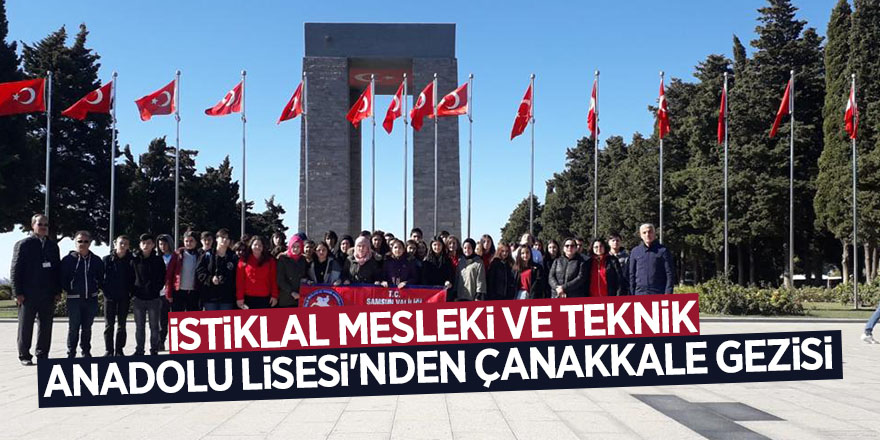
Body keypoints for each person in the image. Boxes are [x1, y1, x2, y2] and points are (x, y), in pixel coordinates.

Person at [11, 214, 61, 365]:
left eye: (46, 224)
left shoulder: (53, 246)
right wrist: (17, 292)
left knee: (46, 327)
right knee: (25, 326)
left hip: (47, 294)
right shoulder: (24, 244)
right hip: (27, 294)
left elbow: (57, 270)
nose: (44, 227)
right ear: (33, 225)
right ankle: (24, 355)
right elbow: (15, 270)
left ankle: (42, 354)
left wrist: (57, 291)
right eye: (40, 224)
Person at [60, 231, 103, 358]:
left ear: (90, 243)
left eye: (86, 241)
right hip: (74, 300)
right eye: (80, 241)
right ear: (75, 242)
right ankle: (71, 352)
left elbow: (101, 278)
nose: (82, 244)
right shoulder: (68, 260)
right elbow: (62, 278)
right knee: (73, 328)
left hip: (91, 299)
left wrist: (96, 288)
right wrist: (70, 288)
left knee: (87, 328)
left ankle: (86, 351)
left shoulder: (96, 260)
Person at [131, 234, 167, 355]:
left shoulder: (158, 260)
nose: (146, 245)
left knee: (154, 327)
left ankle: (154, 349)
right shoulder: (134, 259)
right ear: (140, 245)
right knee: (139, 327)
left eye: (148, 243)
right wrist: (133, 291)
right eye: (143, 243)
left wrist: (156, 288)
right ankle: (139, 350)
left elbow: (163, 277)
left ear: (153, 245)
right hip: (138, 298)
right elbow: (130, 277)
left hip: (154, 298)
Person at [102, 234, 134, 356]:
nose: (123, 246)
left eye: (125, 244)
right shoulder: (106, 259)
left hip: (124, 297)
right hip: (109, 297)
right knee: (109, 325)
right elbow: (101, 278)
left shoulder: (131, 260)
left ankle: (119, 350)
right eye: (121, 243)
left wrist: (130, 293)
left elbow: (133, 278)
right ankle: (109, 350)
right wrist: (105, 291)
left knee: (122, 325)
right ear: (115, 244)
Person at [196, 228, 238, 311]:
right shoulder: (207, 255)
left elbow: (236, 275)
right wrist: (210, 279)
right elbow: (200, 271)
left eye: (227, 238)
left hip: (227, 297)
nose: (225, 240)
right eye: (223, 237)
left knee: (226, 322)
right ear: (217, 239)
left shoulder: (233, 257)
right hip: (210, 296)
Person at [629, 224, 676, 295]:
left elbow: (669, 273)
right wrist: (632, 293)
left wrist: (668, 293)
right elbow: (632, 274)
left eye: (650, 232)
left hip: (658, 292)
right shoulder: (635, 251)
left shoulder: (663, 251)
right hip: (640, 293)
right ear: (641, 235)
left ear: (654, 233)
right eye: (644, 232)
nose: (647, 234)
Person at [236, 236, 279, 309]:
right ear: (251, 246)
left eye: (260, 245)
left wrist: (274, 295)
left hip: (265, 298)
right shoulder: (244, 260)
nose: (257, 247)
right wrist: (240, 297)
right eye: (255, 245)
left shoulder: (270, 261)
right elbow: (240, 281)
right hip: (248, 298)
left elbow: (273, 279)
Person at [165, 230, 201, 312]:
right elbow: (169, 275)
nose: (189, 243)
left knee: (194, 318)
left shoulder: (199, 255)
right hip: (178, 291)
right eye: (186, 241)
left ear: (196, 242)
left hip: (193, 292)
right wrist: (169, 293)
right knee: (177, 317)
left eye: (191, 241)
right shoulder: (177, 254)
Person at [277, 235, 307, 307]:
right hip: (286, 298)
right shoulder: (283, 259)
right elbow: (280, 280)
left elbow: (304, 275)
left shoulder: (303, 260)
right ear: (290, 246)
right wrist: (291, 292)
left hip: (300, 298)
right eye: (293, 246)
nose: (295, 249)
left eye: (298, 247)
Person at [156, 234, 174, 351]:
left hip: (173, 291)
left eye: (165, 243)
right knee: (162, 319)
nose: (163, 246)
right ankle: (161, 341)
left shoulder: (175, 257)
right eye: (161, 244)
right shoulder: (157, 257)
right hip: (160, 293)